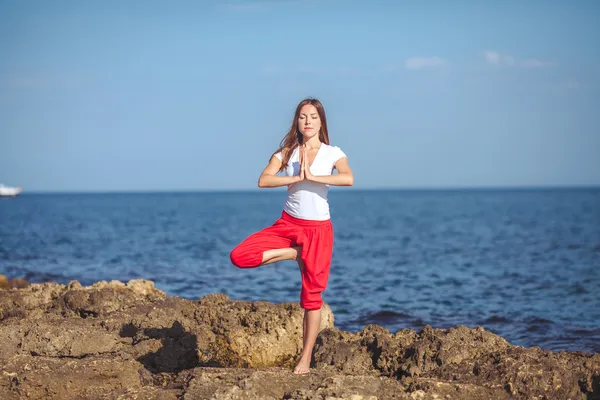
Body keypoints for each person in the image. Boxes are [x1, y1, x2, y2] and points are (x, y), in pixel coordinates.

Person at [229, 97, 354, 375]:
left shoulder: (333, 153)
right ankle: (296, 254)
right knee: (240, 256)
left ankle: (305, 359)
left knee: (312, 298)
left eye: (313, 116)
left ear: (321, 121)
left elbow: (348, 178)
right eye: (302, 116)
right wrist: (295, 178)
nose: (307, 121)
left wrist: (315, 178)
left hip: (319, 229)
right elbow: (264, 180)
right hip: (288, 225)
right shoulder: (286, 152)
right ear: (296, 122)